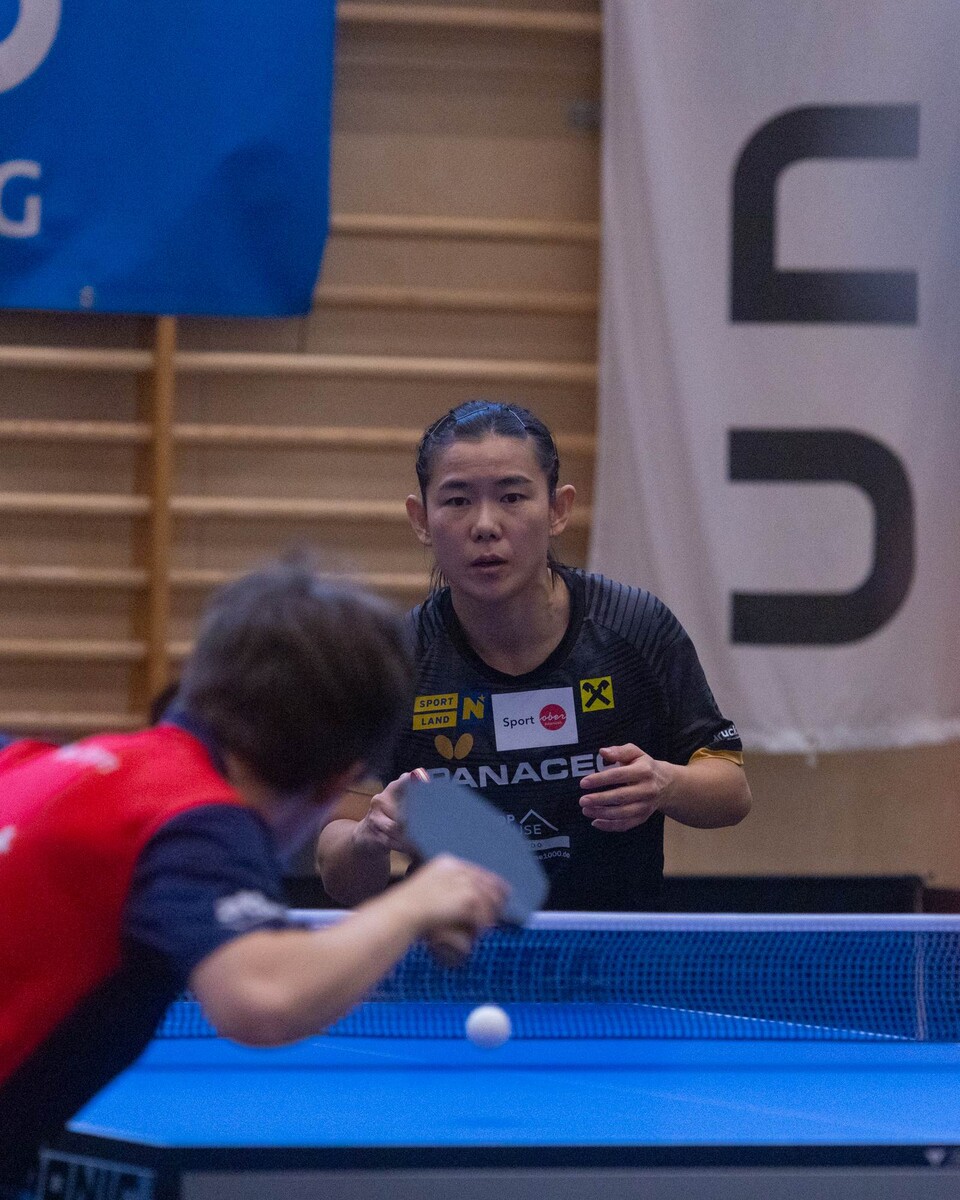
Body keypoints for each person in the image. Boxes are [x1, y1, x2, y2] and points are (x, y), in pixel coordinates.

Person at [0, 562, 508, 1195]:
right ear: (337, 780)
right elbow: (263, 1001)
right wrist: (417, 901)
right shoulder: (194, 820)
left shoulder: (32, 763)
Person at [317, 400, 751, 912]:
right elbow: (339, 868)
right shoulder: (394, 662)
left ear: (557, 509)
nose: (485, 525)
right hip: (459, 950)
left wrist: (667, 784)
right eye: (457, 500)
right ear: (421, 520)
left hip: (615, 952)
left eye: (512, 497)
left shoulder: (635, 628)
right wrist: (368, 837)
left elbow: (733, 792)